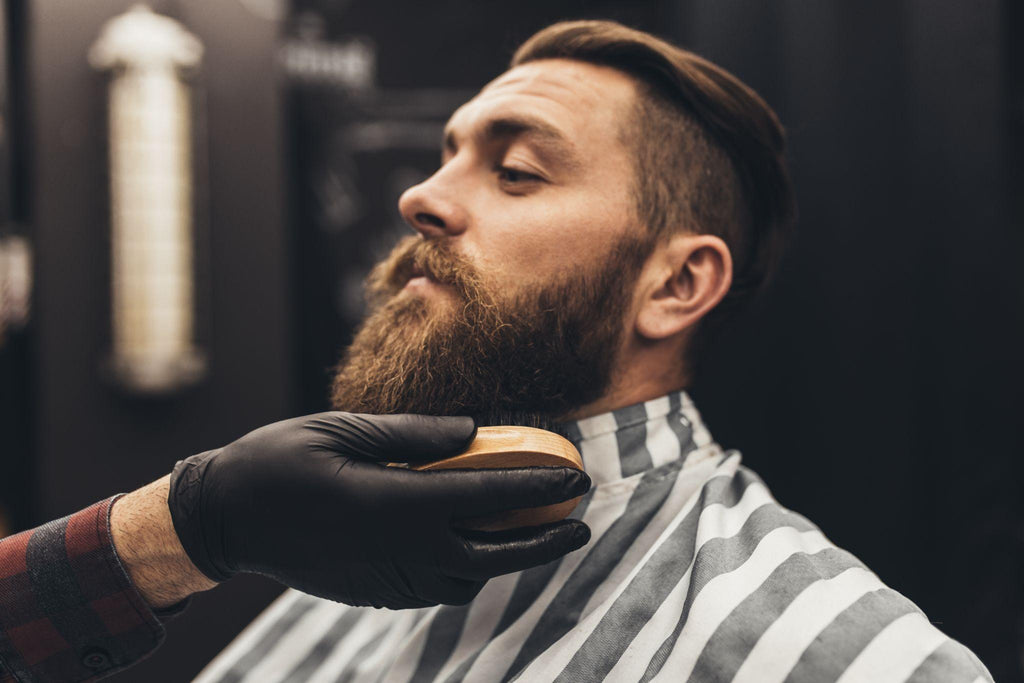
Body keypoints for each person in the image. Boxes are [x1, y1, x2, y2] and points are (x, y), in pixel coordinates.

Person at [0, 19, 993, 683]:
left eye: (516, 169)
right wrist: (185, 526)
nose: (420, 197)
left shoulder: (854, 655)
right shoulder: (338, 557)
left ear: (676, 282)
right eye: (446, 154)